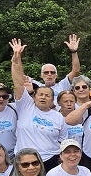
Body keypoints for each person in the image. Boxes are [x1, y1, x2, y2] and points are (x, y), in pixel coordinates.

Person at [10, 39, 66, 169]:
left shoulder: (58, 117)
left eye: (47, 96)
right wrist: (16, 59)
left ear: (53, 101)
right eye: (40, 94)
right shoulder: (25, 107)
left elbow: (62, 141)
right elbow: (18, 82)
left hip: (51, 161)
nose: (43, 97)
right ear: (34, 97)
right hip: (24, 160)